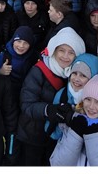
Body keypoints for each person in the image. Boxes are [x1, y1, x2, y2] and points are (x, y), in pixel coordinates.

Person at [18, 27, 86, 165]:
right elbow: (26, 104)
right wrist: (48, 110)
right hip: (33, 135)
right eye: (61, 50)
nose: (65, 56)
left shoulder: (74, 75)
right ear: (54, 50)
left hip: (57, 137)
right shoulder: (38, 71)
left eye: (71, 52)